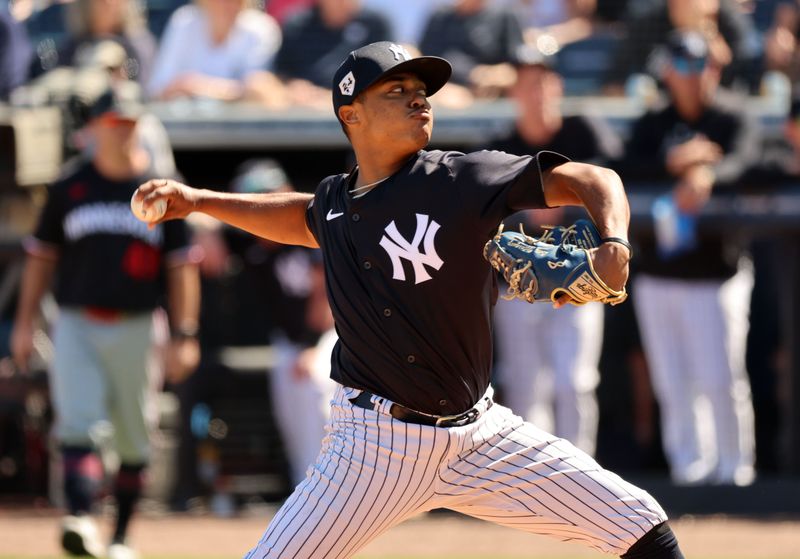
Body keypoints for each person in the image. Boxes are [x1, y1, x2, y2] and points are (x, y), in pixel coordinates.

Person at [134, 41, 685, 558]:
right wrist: (199, 200)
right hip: (372, 448)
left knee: (642, 524)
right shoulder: (334, 204)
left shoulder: (460, 179)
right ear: (351, 114)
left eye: (421, 89)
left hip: (480, 436)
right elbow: (292, 215)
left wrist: (613, 240)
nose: (417, 97)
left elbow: (595, 177)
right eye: (394, 91)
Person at [10, 85, 201, 559]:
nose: (123, 131)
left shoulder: (161, 188)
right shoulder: (69, 187)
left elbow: (182, 268)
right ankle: (79, 518)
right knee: (77, 422)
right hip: (76, 322)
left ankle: (120, 536)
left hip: (139, 325)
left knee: (135, 434)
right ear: (93, 128)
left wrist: (185, 333)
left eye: (130, 122)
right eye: (114, 122)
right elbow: (40, 259)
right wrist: (23, 322)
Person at [623, 30, 760, 486]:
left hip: (717, 272)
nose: (691, 76)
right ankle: (689, 470)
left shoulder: (731, 117)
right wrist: (673, 162)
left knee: (721, 378)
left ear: (714, 69)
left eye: (700, 65)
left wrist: (710, 174)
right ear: (667, 73)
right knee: (672, 381)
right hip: (659, 274)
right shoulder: (652, 125)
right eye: (681, 66)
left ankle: (734, 471)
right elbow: (619, 164)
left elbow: (750, 158)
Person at [486, 44, 624, 456]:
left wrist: (568, 199)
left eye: (544, 80)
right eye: (527, 82)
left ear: (558, 85)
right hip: (520, 282)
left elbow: (618, 177)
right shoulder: (500, 145)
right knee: (527, 385)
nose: (537, 91)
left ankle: (582, 476)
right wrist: (526, 209)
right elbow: (478, 209)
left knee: (574, 382)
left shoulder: (583, 131)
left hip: (579, 275)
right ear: (514, 91)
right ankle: (537, 478)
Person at [146, 0, 282, 102]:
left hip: (242, 134)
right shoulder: (183, 21)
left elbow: (256, 91)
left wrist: (194, 86)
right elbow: (158, 88)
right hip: (185, 131)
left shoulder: (261, 29)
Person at [271, 0, 392, 109]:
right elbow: (282, 73)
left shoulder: (376, 24)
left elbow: (384, 76)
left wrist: (336, 97)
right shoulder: (297, 23)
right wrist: (294, 86)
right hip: (301, 109)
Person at [419, 0, 524, 98]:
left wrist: (493, 75)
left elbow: (516, 64)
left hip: (496, 95)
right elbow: (427, 60)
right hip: (449, 93)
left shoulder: (505, 16)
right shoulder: (439, 17)